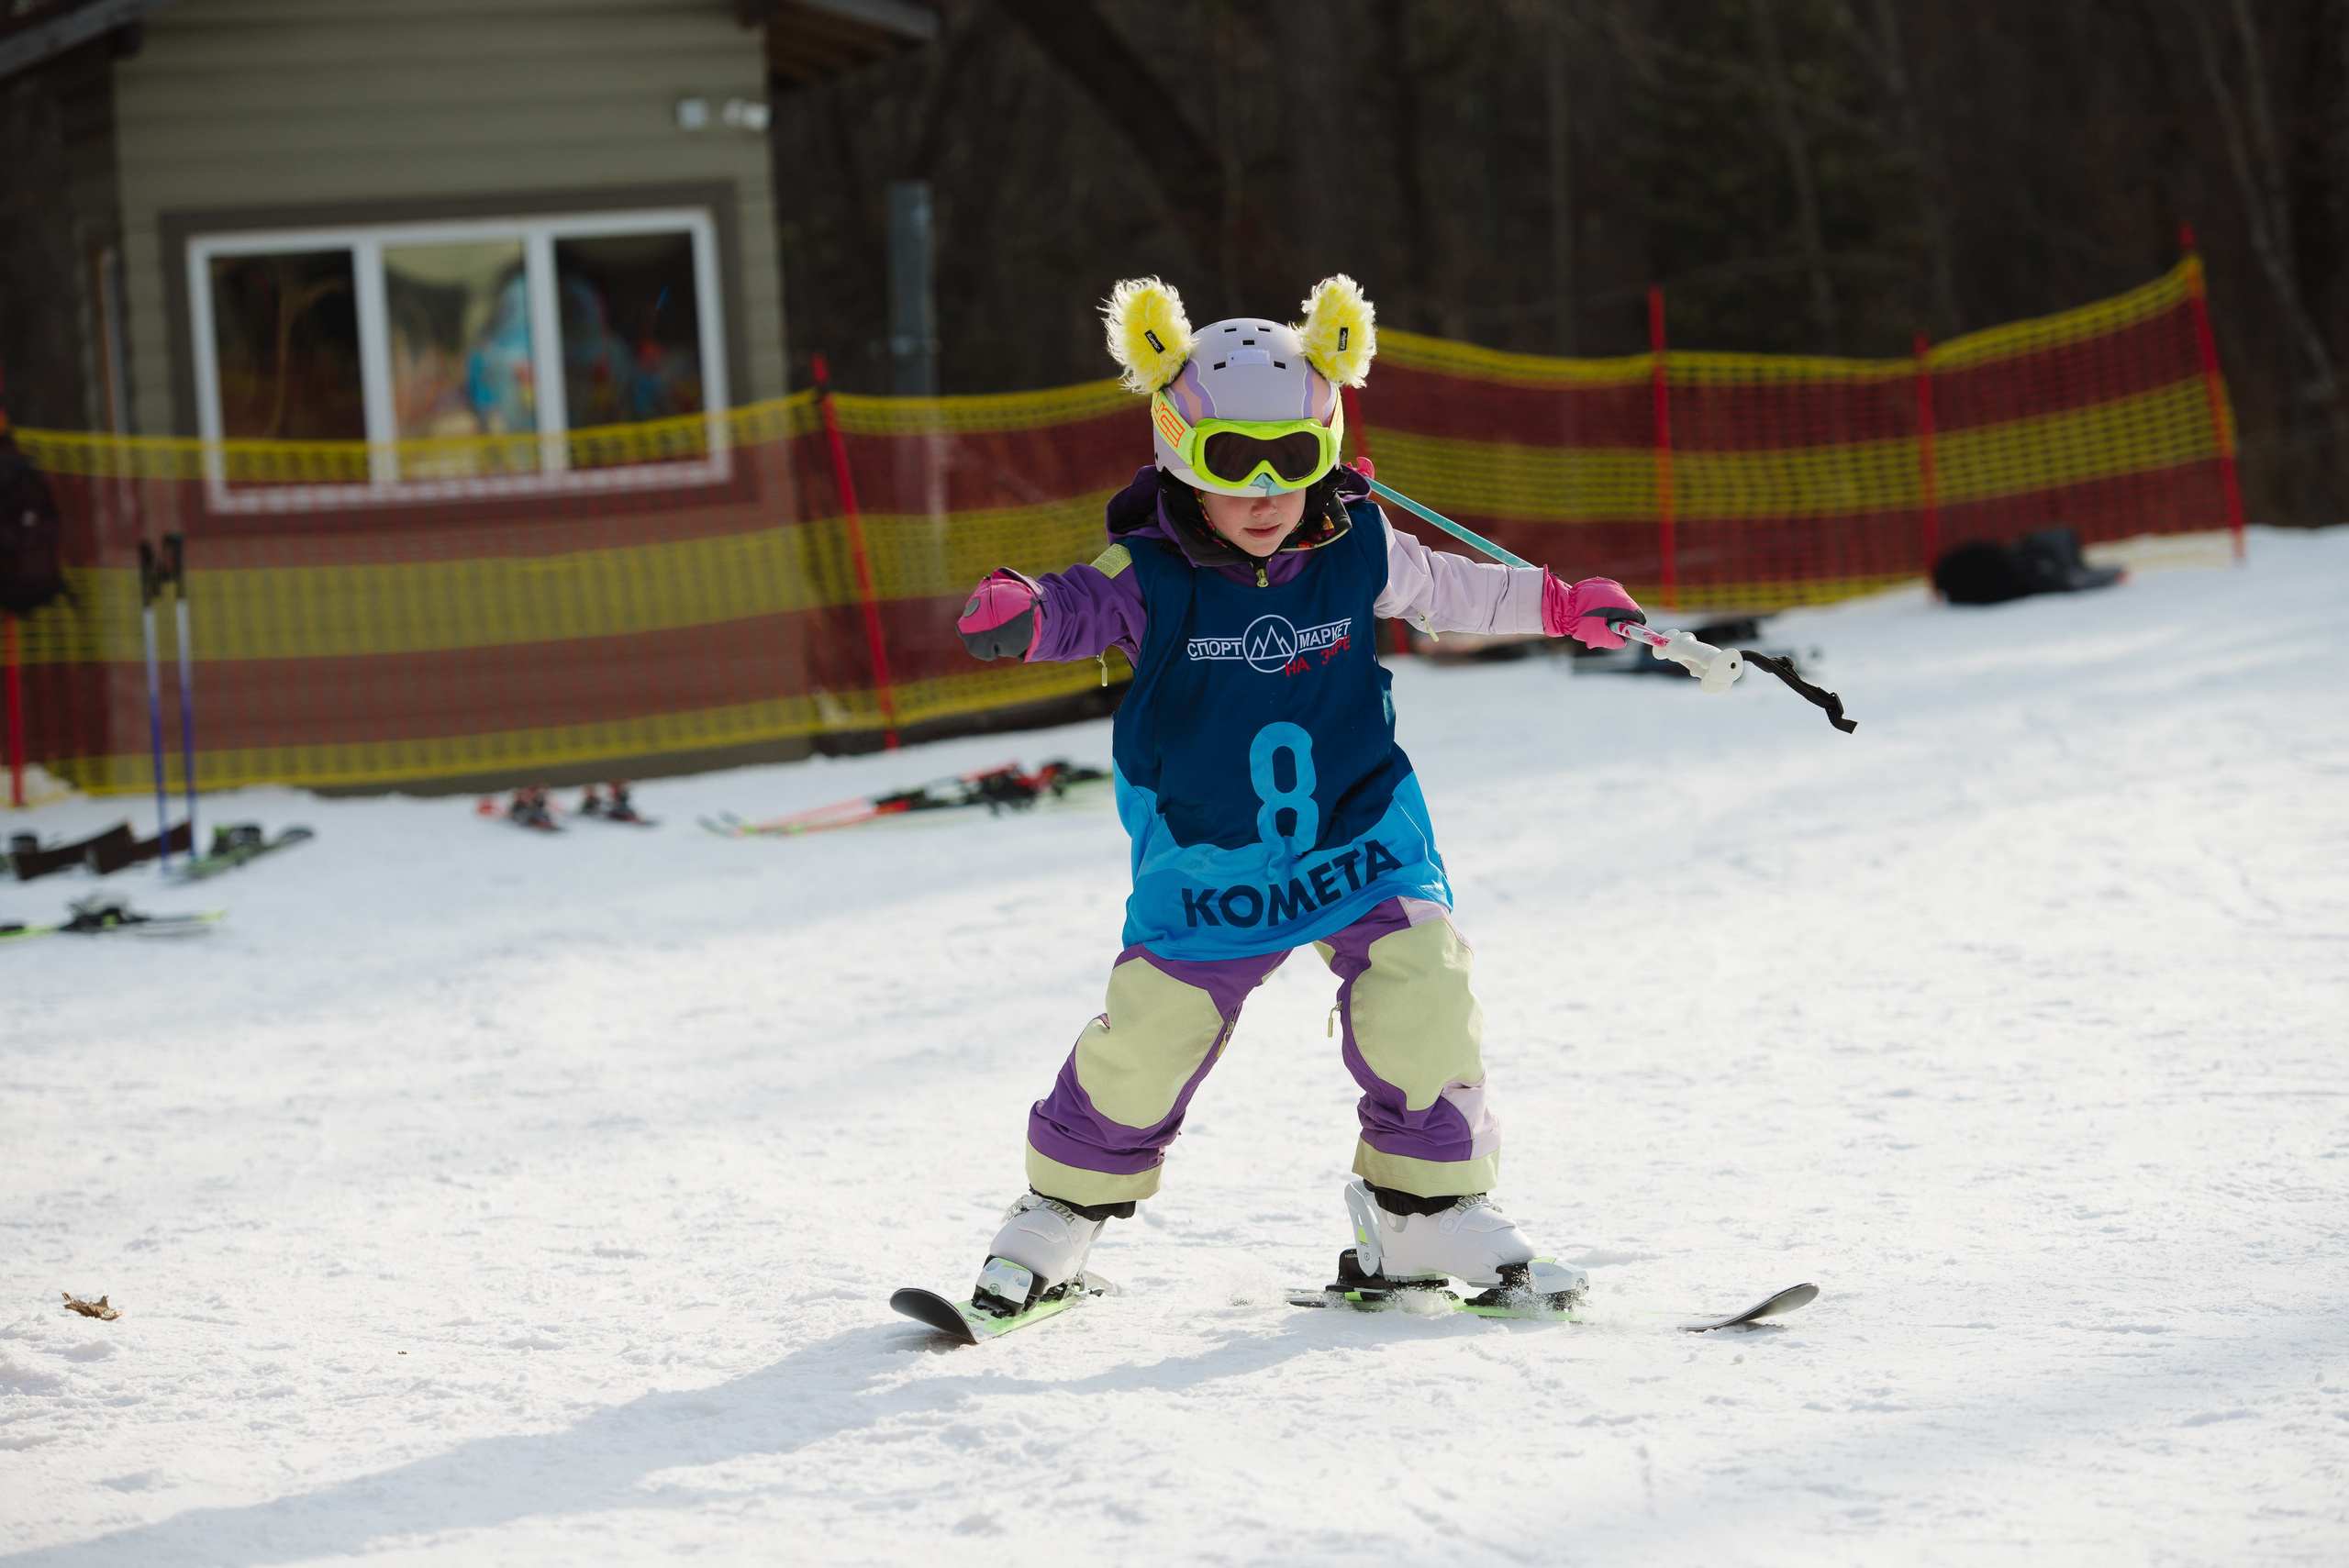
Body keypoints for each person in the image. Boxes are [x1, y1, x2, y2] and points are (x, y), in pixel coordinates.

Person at [950, 275, 1643, 1318]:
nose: (1268, 492)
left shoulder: (1358, 544)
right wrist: (1027, 610)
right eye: (1235, 460)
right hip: (1211, 856)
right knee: (1152, 1034)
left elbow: (1455, 587)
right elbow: (1078, 604)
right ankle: (1058, 1215)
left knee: (1424, 987)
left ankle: (1422, 1211)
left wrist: (1560, 601)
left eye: (1296, 456)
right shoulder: (1154, 571)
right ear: (1179, 451)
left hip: (1360, 833)